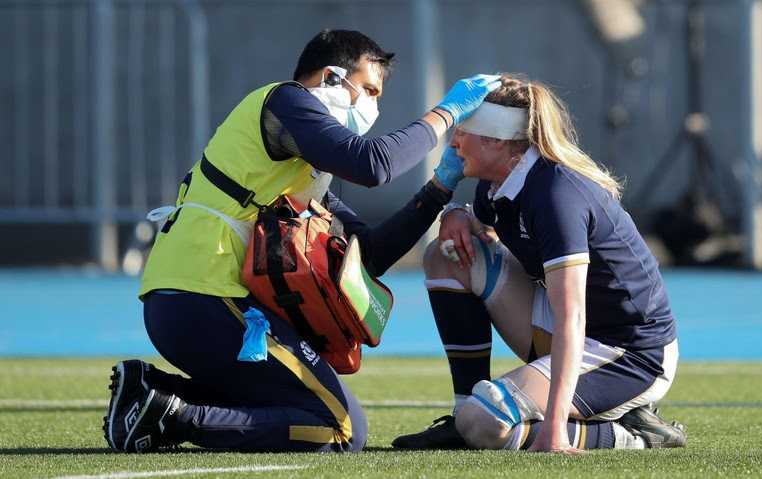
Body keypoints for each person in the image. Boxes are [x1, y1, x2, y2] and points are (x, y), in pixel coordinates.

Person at [102, 28, 500, 453]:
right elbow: (373, 165)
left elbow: (371, 255)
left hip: (194, 303)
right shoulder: (285, 100)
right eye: (368, 89)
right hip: (205, 298)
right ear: (330, 77)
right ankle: (176, 418)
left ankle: (152, 393)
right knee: (341, 429)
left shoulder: (305, 169)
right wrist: (447, 112)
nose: (374, 106)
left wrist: (440, 187)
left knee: (314, 412)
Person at [391, 73, 687, 453]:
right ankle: (462, 409)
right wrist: (455, 215)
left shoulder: (555, 195)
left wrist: (556, 426)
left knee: (484, 423)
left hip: (629, 353)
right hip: (577, 333)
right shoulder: (498, 182)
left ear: (497, 139)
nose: (454, 141)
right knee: (445, 255)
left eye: (464, 130)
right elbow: (483, 226)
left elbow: (572, 316)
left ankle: (631, 435)